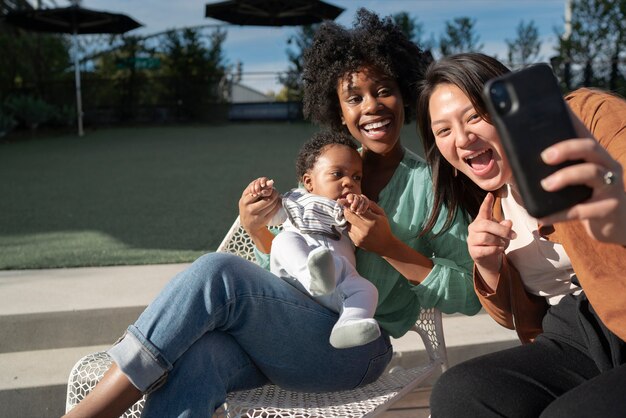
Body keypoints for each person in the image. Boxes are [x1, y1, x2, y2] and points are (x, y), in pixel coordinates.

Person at [63, 9, 480, 418]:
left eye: (383, 90)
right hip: (290, 331)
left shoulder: (430, 186)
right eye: (354, 97)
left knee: (217, 272)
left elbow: (470, 290)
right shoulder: (324, 171)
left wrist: (388, 247)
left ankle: (91, 413)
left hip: (356, 353)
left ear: (405, 93)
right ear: (338, 111)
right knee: (200, 359)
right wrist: (258, 229)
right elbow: (286, 266)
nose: (371, 106)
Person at [416, 52, 626, 417]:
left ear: (504, 105)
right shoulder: (494, 205)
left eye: (473, 116)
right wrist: (489, 267)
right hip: (576, 333)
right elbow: (518, 319)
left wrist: (614, 198)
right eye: (444, 130)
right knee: (459, 393)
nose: (462, 138)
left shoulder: (586, 118)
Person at [257, 130, 380, 349]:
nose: (348, 182)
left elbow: (374, 225)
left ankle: (349, 324)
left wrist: (363, 208)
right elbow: (271, 217)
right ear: (309, 182)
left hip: (337, 277)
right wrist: (265, 195)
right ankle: (312, 275)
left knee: (367, 288)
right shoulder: (296, 200)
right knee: (284, 240)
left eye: (356, 177)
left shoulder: (352, 208)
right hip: (296, 276)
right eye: (337, 174)